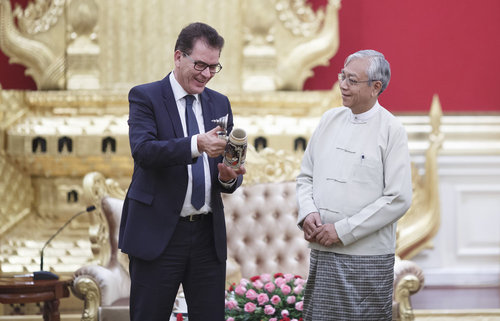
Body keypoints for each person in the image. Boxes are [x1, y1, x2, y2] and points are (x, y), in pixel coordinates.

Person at [118, 22, 245, 321]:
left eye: (214, 67)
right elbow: (144, 151)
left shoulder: (219, 102)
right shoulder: (145, 97)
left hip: (206, 234)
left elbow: (226, 169)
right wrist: (195, 144)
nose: (206, 74)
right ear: (178, 57)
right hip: (159, 231)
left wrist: (229, 177)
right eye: (200, 64)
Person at [296, 49, 412, 320]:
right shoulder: (329, 120)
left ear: (375, 87)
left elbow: (398, 198)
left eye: (352, 80)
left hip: (367, 259)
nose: (343, 85)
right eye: (342, 76)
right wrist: (308, 212)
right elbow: (305, 177)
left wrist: (343, 230)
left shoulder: (391, 130)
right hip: (323, 252)